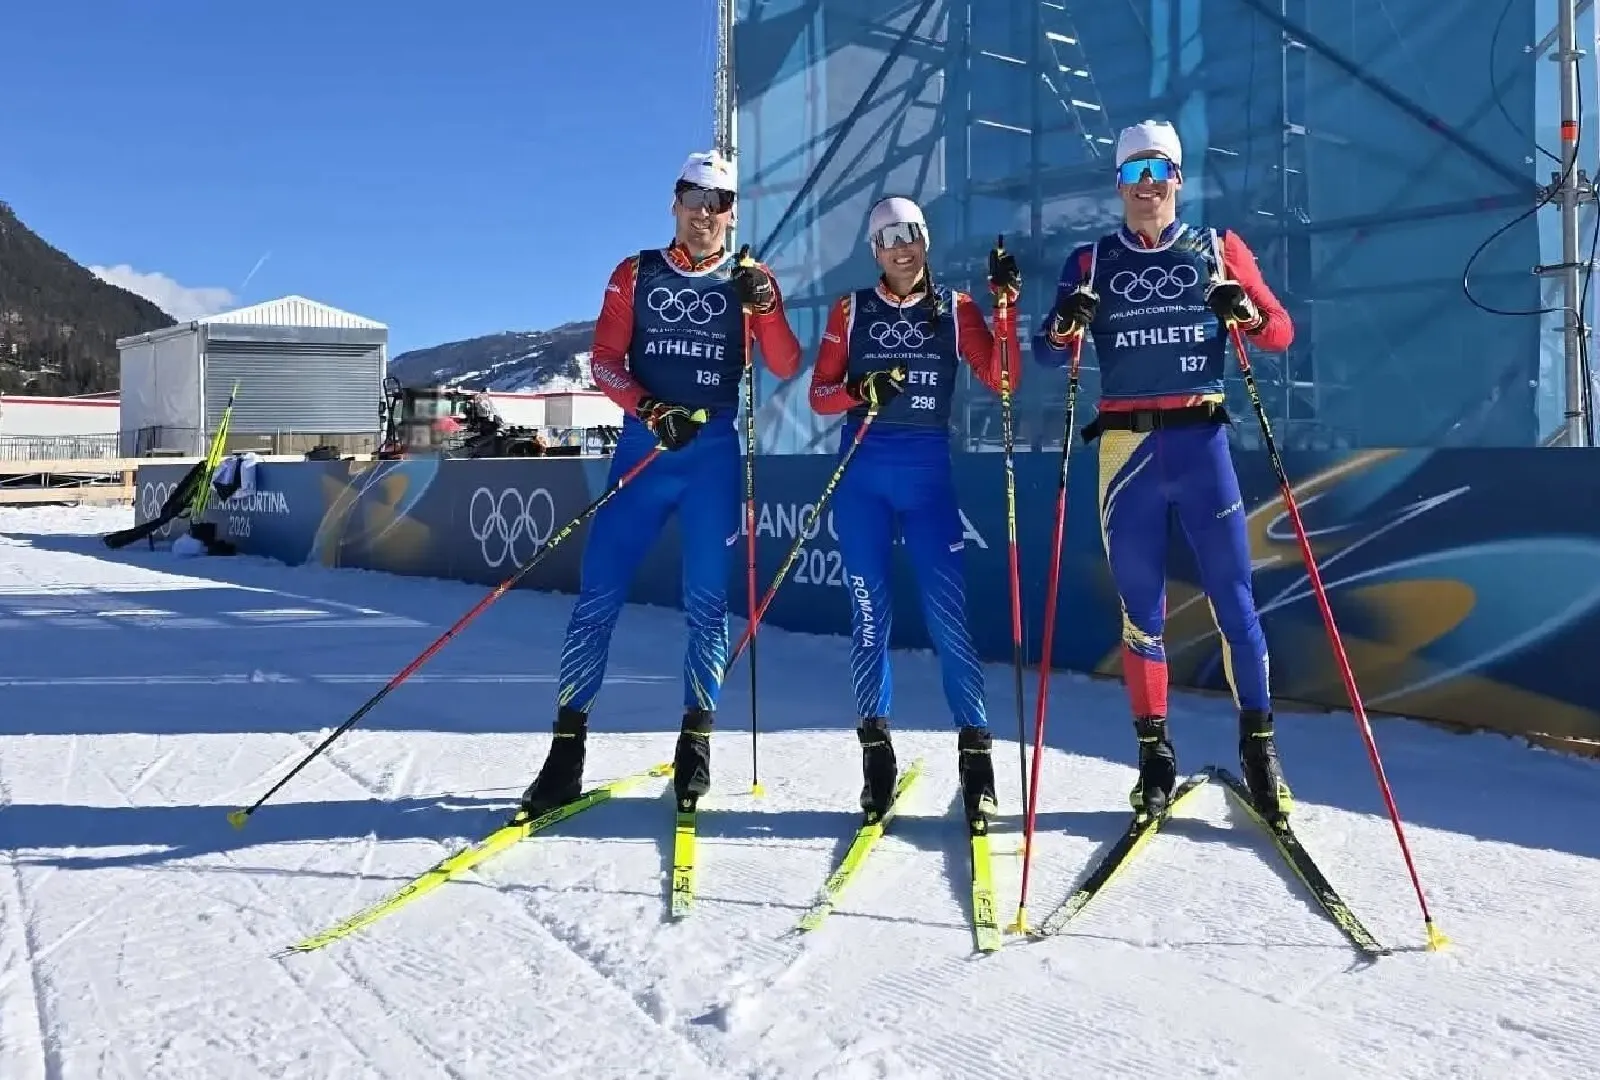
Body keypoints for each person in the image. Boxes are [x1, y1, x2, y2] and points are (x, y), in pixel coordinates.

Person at [519, 151, 803, 816]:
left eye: (720, 202)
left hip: (711, 458)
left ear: (734, 215)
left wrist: (765, 304)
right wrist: (651, 410)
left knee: (707, 605)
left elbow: (786, 363)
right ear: (674, 204)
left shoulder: (748, 279)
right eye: (693, 197)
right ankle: (565, 754)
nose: (705, 213)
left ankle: (695, 744)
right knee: (598, 598)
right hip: (645, 454)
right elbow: (606, 364)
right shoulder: (636, 272)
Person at [1032, 120, 1296, 823]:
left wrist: (1241, 308)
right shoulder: (1090, 261)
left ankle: (1259, 750)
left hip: (1200, 443)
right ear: (1118, 183)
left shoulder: (1216, 248)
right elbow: (1048, 355)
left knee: (1235, 602)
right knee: (1140, 614)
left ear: (1178, 178)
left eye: (1159, 173)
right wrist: (1067, 319)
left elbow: (1278, 332)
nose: (1147, 187)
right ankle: (1154, 758)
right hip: (1127, 453)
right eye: (1133, 174)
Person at [807, 196, 1021, 825]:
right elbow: (820, 395)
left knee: (948, 618)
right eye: (888, 238)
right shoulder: (850, 309)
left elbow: (1002, 377)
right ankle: (877, 762)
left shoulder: (955, 309)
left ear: (926, 240)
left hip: (928, 478)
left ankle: (976, 766)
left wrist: (1004, 307)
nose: (902, 248)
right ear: (874, 249)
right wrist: (858, 390)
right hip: (863, 479)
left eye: (912, 235)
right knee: (870, 618)